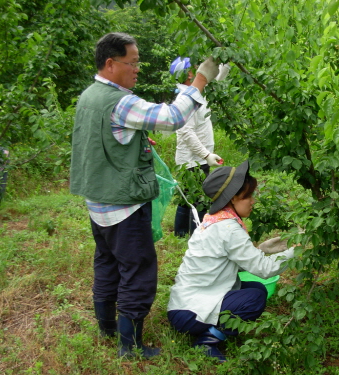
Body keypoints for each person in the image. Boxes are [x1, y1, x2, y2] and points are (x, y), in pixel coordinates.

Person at [69, 32, 221, 359]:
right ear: (111, 64)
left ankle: (107, 328)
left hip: (98, 205)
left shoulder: (90, 95)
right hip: (124, 208)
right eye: (132, 62)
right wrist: (200, 79)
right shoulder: (120, 102)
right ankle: (131, 347)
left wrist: (134, 141)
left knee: (107, 264)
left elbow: (99, 140)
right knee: (137, 272)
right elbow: (170, 119)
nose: (137, 69)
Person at [167, 160, 296, 362]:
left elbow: (228, 257)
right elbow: (266, 269)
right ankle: (207, 341)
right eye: (249, 196)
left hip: (185, 304)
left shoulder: (216, 220)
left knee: (257, 288)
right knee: (254, 298)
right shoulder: (228, 228)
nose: (253, 201)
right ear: (234, 197)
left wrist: (262, 249)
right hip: (189, 312)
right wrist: (297, 251)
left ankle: (212, 330)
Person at [169, 56, 231, 237]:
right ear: (189, 73)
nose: (200, 69)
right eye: (196, 67)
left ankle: (180, 235)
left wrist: (225, 63)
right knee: (199, 201)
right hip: (192, 161)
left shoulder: (196, 94)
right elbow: (185, 132)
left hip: (194, 159)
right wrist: (205, 155)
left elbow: (216, 82)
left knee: (186, 198)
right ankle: (198, 237)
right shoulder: (185, 99)